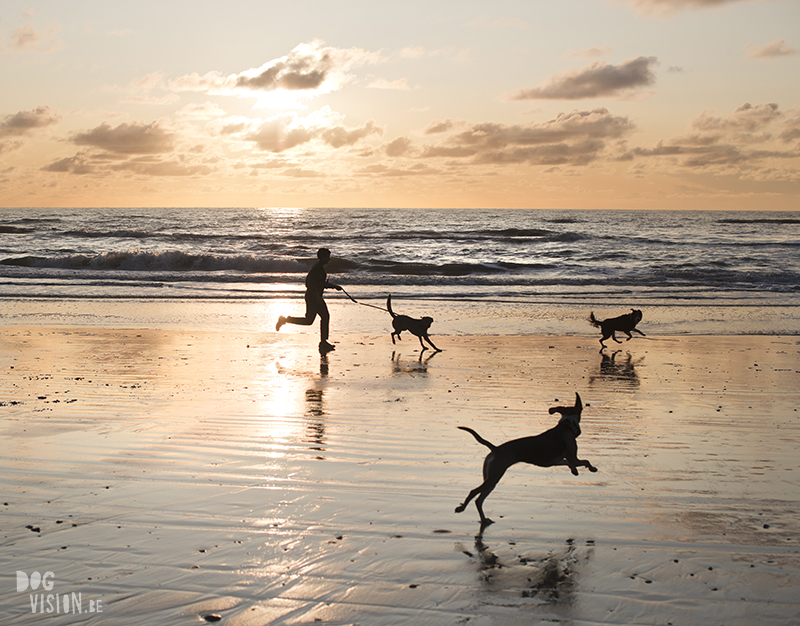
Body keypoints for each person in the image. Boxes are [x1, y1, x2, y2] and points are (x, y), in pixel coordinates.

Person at [276, 248, 342, 352]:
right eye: (327, 257)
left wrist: (334, 286)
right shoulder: (318, 268)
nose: (329, 259)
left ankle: (323, 342)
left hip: (314, 297)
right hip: (313, 297)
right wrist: (317, 298)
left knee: (316, 319)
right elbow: (310, 284)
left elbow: (319, 283)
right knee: (316, 319)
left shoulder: (320, 267)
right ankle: (285, 320)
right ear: (322, 257)